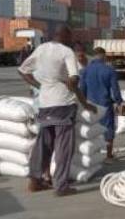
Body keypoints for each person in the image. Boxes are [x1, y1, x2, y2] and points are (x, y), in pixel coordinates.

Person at [19, 25, 97, 197]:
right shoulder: (67, 52)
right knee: (63, 146)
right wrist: (85, 103)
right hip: (63, 104)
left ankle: (34, 180)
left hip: (45, 104)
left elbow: (23, 70)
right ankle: (61, 185)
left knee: (43, 144)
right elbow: (74, 80)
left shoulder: (40, 49)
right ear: (66, 36)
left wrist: (40, 85)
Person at [80, 47, 123, 160]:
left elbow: (82, 89)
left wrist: (83, 104)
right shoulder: (109, 70)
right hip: (105, 104)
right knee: (108, 129)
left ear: (93, 56)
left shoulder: (85, 70)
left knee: (92, 130)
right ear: (103, 56)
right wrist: (119, 102)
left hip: (90, 105)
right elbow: (115, 89)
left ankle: (94, 155)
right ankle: (109, 155)